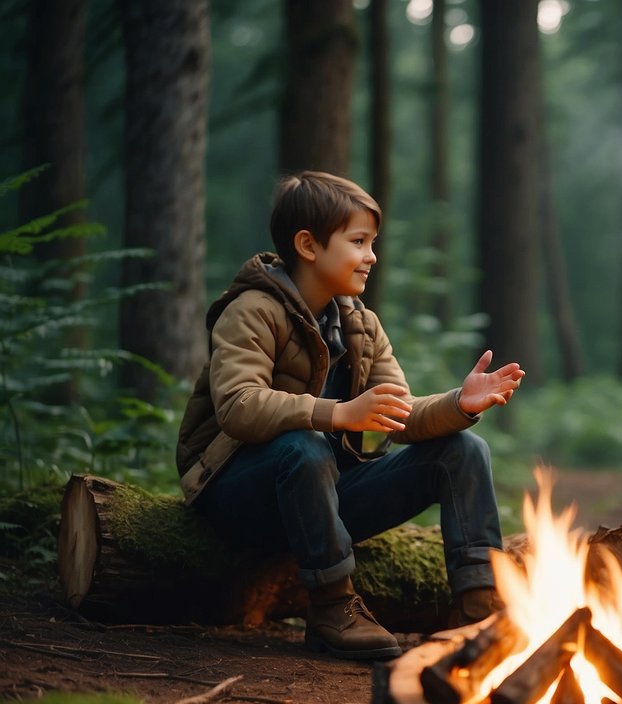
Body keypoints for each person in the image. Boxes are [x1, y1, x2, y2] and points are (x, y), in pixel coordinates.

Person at [177, 171, 525, 661]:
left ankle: (477, 611)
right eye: (358, 241)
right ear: (308, 245)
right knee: (304, 446)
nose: (372, 256)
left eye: (372, 242)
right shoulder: (252, 310)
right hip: (240, 498)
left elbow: (397, 414)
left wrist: (459, 404)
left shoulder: (359, 323)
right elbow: (238, 405)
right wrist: (338, 414)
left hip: (323, 495)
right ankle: (332, 607)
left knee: (464, 449)